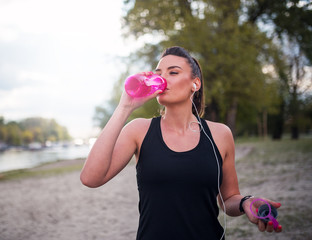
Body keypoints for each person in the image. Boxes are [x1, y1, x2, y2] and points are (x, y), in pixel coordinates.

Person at [80, 46, 282, 239]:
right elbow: (91, 178)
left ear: (195, 83)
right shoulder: (139, 130)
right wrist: (125, 107)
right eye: (159, 73)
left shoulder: (220, 134)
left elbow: (228, 199)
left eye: (173, 72)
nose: (162, 78)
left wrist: (246, 203)